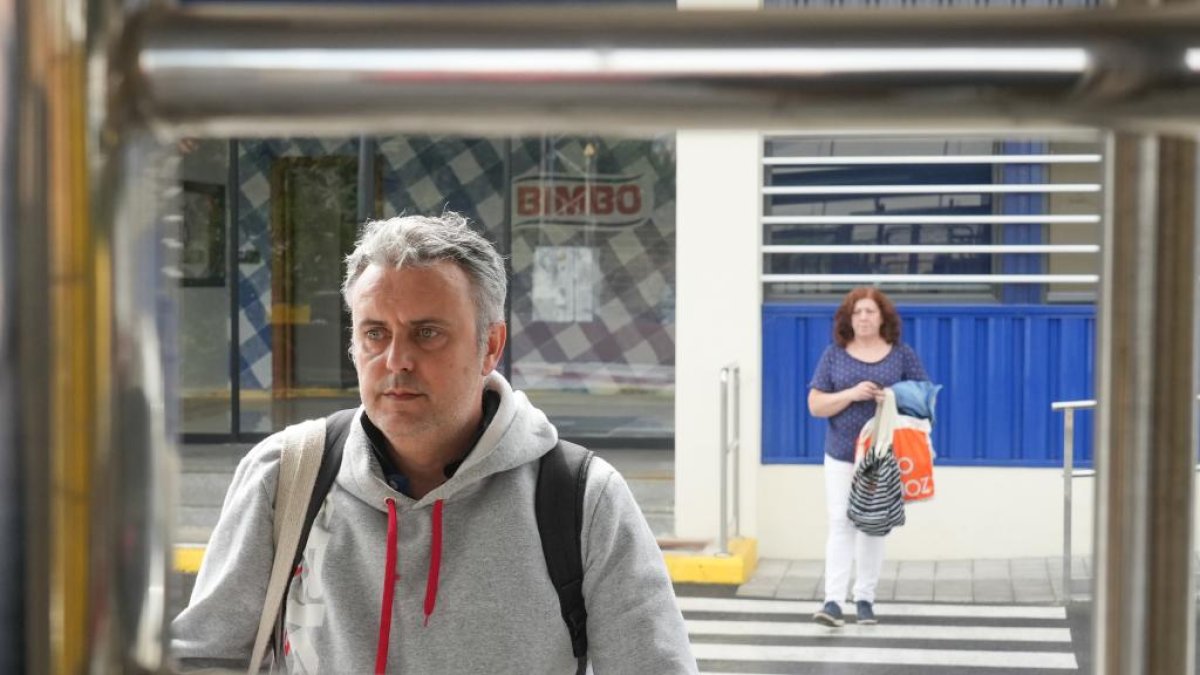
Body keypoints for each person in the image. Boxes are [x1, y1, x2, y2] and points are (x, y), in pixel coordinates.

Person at [172, 213, 697, 673]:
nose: (396, 359)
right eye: (375, 333)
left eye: (427, 333)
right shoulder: (285, 475)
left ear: (489, 345)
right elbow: (205, 657)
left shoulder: (583, 499)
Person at [806, 286, 929, 628]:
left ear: (882, 318)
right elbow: (815, 405)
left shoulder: (901, 355)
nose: (863, 317)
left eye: (870, 312)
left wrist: (891, 396)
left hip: (881, 458)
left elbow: (924, 399)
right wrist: (851, 393)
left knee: (873, 526)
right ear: (848, 319)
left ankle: (865, 600)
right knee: (840, 523)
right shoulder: (834, 355)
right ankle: (833, 602)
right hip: (841, 455)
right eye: (857, 312)